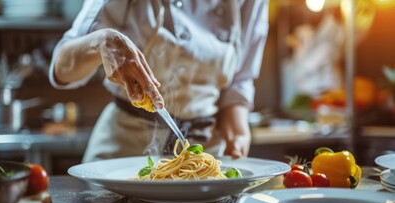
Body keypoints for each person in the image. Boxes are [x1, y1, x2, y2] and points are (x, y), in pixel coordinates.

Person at [49, 0, 269, 162]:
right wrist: (101, 42)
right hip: (123, 146)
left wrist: (238, 129)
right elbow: (61, 68)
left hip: (206, 148)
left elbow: (241, 77)